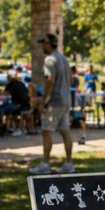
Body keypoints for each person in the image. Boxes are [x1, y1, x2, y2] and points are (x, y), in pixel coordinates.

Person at [29, 33, 74, 175]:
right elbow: (71, 80)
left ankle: (45, 164)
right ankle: (68, 164)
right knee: (65, 132)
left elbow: (50, 80)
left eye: (43, 43)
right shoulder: (64, 59)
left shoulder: (49, 60)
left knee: (46, 132)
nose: (42, 46)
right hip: (66, 100)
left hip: (54, 102)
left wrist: (43, 101)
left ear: (48, 44)